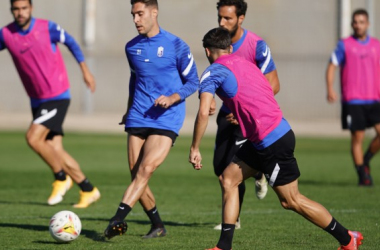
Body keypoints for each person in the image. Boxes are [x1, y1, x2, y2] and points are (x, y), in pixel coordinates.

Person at [189, 27, 363, 250]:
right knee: (229, 179)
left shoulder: (213, 72)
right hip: (270, 135)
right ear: (230, 48)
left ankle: (347, 239)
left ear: (206, 51)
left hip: (271, 141)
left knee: (291, 200)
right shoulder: (246, 64)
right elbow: (263, 90)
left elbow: (203, 112)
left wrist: (195, 147)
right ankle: (223, 246)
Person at [103, 0, 199, 240]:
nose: (136, 19)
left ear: (154, 12)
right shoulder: (131, 47)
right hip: (138, 116)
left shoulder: (177, 45)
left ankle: (117, 219)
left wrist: (172, 98)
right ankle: (158, 225)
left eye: (140, 14)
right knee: (136, 176)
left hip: (167, 118)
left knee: (145, 170)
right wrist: (127, 111)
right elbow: (134, 80)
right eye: (133, 14)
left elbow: (193, 82)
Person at [0, 0, 100, 208]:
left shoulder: (47, 27)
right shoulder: (6, 34)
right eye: (16, 9)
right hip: (37, 100)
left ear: (31, 8)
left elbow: (71, 42)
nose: (20, 13)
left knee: (33, 138)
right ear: (11, 10)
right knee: (55, 150)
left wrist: (85, 70)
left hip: (57, 95)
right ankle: (88, 189)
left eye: (24, 8)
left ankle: (61, 178)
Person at [212, 0, 280, 230]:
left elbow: (273, 83)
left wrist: (244, 109)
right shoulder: (217, 43)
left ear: (241, 19)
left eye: (228, 18)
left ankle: (233, 220)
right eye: (220, 17)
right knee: (220, 166)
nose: (222, 22)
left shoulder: (256, 45)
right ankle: (258, 171)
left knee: (232, 170)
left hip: (249, 119)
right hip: (226, 115)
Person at [326, 9, 380, 186]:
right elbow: (332, 66)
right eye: (355, 22)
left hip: (374, 98)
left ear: (368, 24)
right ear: (352, 24)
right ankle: (362, 175)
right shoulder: (344, 45)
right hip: (353, 99)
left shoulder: (376, 45)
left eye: (362, 22)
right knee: (358, 137)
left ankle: (365, 161)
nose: (358, 25)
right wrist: (330, 88)